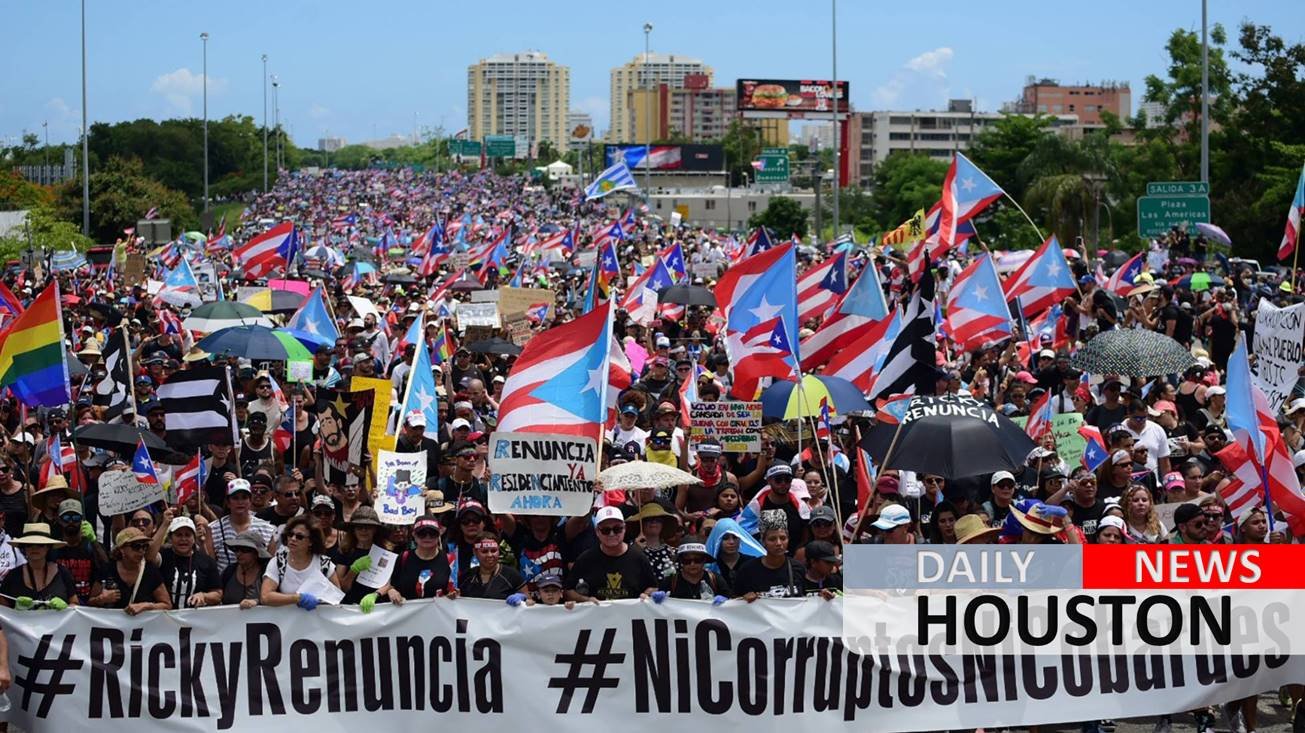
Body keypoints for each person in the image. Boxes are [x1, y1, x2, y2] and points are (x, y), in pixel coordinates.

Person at [565, 506, 657, 603]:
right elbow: (568, 591)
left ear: (624, 529)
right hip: (597, 615)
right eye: (606, 530)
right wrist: (586, 600)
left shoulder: (639, 558)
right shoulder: (586, 559)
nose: (612, 534)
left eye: (617, 529)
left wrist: (645, 595)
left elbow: (653, 586)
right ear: (597, 532)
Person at [260, 516, 340, 609]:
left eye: (299, 536)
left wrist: (319, 602)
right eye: (290, 534)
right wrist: (297, 598)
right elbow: (265, 597)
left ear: (311, 542)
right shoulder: (278, 562)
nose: (293, 539)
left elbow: (337, 596)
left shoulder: (324, 564)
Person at [88, 528, 172, 615]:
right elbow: (90, 603)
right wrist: (101, 599)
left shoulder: (150, 571)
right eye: (136, 546)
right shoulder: (107, 569)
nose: (141, 551)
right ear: (122, 549)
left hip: (142, 626)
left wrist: (146, 606)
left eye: (145, 546)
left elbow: (167, 605)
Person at [378, 514, 455, 603]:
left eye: (432, 533)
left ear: (439, 535)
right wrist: (391, 591)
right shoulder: (403, 557)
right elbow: (392, 585)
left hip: (438, 614)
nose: (427, 537)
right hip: (406, 613)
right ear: (414, 534)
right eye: (422, 533)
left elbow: (453, 591)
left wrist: (453, 594)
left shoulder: (450, 560)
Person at [151, 512, 221, 609]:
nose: (183, 539)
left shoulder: (207, 561)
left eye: (188, 535)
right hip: (165, 619)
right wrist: (164, 524)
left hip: (195, 619)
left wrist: (204, 596)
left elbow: (218, 594)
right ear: (171, 538)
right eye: (179, 535)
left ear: (194, 538)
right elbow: (149, 556)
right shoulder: (163, 556)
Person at [208, 479, 277, 573]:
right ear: (228, 502)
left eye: (244, 498)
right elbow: (211, 564)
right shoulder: (213, 528)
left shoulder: (267, 528)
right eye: (235, 498)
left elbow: (271, 566)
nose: (240, 502)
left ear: (250, 501)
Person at [734, 510, 805, 600]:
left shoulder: (798, 568)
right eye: (772, 539)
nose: (779, 543)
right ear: (763, 542)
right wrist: (744, 599)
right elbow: (735, 602)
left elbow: (809, 598)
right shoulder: (747, 571)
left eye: (783, 538)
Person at [0, 523, 76, 609]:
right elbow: (3, 610)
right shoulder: (13, 576)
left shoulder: (63, 573)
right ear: (24, 547)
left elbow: (75, 603)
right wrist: (15, 610)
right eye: (29, 544)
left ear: (48, 547)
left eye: (40, 544)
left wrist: (67, 608)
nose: (34, 548)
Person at [335, 506, 385, 604]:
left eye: (368, 527)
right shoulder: (345, 552)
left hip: (377, 606)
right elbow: (340, 589)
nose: (363, 531)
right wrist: (353, 570)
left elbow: (390, 583)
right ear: (353, 530)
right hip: (350, 607)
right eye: (359, 527)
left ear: (375, 530)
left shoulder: (384, 552)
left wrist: (376, 594)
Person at [655, 540, 729, 602]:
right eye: (687, 560)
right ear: (680, 561)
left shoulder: (716, 579)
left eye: (697, 560)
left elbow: (732, 602)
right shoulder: (670, 582)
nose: (692, 564)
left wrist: (726, 601)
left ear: (704, 560)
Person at [458, 537, 524, 600]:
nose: (490, 555)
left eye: (493, 551)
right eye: (484, 551)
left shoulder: (511, 575)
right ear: (475, 552)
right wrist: (453, 597)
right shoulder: (466, 577)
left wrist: (522, 597)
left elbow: (529, 601)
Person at [218, 531, 269, 608]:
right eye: (236, 549)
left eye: (244, 550)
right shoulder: (229, 571)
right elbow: (217, 596)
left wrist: (257, 601)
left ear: (256, 553)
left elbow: (274, 597)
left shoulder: (267, 573)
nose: (239, 553)